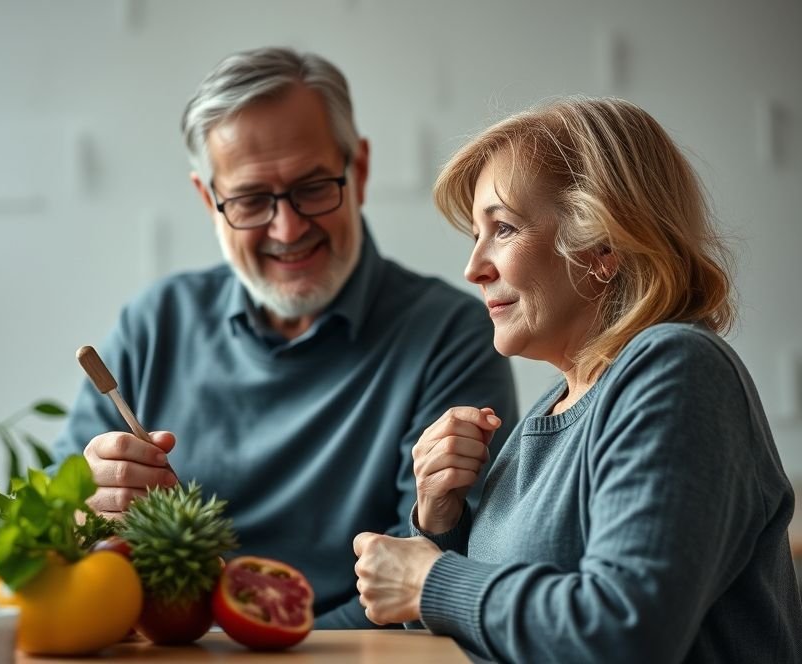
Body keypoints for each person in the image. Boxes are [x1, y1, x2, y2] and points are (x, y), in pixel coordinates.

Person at [51, 47, 518, 629]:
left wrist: (266, 644)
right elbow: (51, 529)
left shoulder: (450, 334)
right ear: (208, 200)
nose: (288, 228)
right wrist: (85, 511)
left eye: (314, 187)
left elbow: (432, 580)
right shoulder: (154, 323)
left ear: (361, 171)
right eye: (250, 200)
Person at [353, 96, 802, 661]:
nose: (474, 268)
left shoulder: (677, 371)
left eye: (505, 229)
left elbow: (624, 631)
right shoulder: (549, 411)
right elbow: (490, 636)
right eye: (475, 236)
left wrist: (430, 580)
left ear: (603, 246)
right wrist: (441, 524)